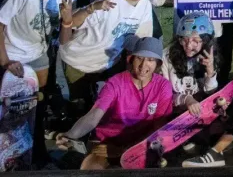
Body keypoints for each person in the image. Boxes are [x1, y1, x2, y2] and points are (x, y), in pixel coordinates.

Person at [56, 36, 172, 170]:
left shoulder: (163, 86)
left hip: (140, 143)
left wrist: (127, 150)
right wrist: (70, 135)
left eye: (150, 60)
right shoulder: (115, 83)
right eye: (139, 58)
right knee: (89, 169)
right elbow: (94, 115)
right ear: (131, 59)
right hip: (107, 142)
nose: (143, 65)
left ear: (157, 64)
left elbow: (158, 127)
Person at [59, 0, 155, 106]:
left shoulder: (145, 5)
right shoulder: (109, 2)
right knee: (80, 104)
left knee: (105, 104)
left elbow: (142, 40)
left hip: (107, 63)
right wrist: (91, 8)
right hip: (78, 60)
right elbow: (72, 22)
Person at [160, 12, 233, 167]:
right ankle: (195, 144)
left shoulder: (209, 55)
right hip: (177, 110)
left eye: (195, 41)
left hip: (200, 110)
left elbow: (210, 93)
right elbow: (163, 94)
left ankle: (211, 152)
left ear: (205, 41)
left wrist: (210, 70)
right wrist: (186, 99)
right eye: (184, 40)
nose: (188, 45)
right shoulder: (167, 56)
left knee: (225, 120)